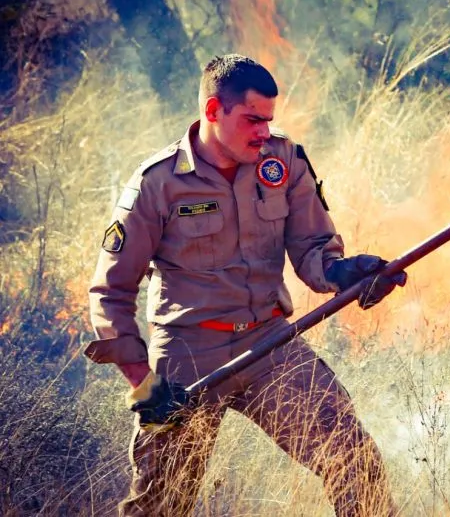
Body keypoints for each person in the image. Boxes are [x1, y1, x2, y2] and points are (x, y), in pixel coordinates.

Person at [84, 54, 406, 517]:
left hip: (269, 343)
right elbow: (110, 293)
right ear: (213, 111)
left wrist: (344, 274)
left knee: (353, 459)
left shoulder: (283, 161)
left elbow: (314, 248)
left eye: (268, 120)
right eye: (253, 119)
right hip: (188, 355)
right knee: (161, 505)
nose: (263, 132)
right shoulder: (157, 184)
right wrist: (145, 386)